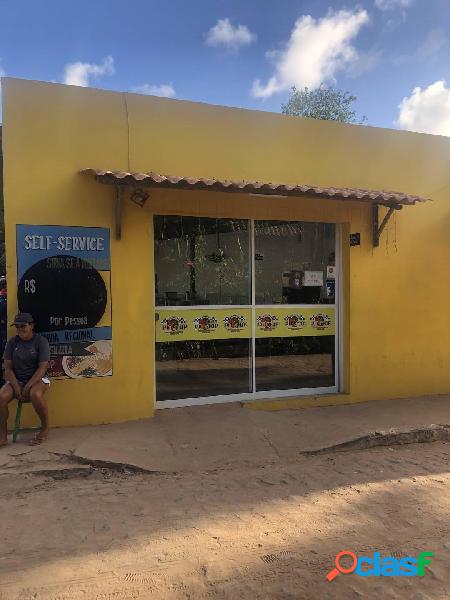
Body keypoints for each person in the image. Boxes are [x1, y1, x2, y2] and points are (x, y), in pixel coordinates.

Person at [0, 313, 50, 447]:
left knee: (35, 394)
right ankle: (2, 435)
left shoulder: (41, 341)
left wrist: (27, 386)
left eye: (23, 326)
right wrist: (17, 387)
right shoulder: (12, 343)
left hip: (38, 378)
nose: (20, 329)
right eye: (17, 327)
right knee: (1, 397)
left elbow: (42, 368)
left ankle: (44, 429)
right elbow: (8, 369)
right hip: (17, 379)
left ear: (31, 326)